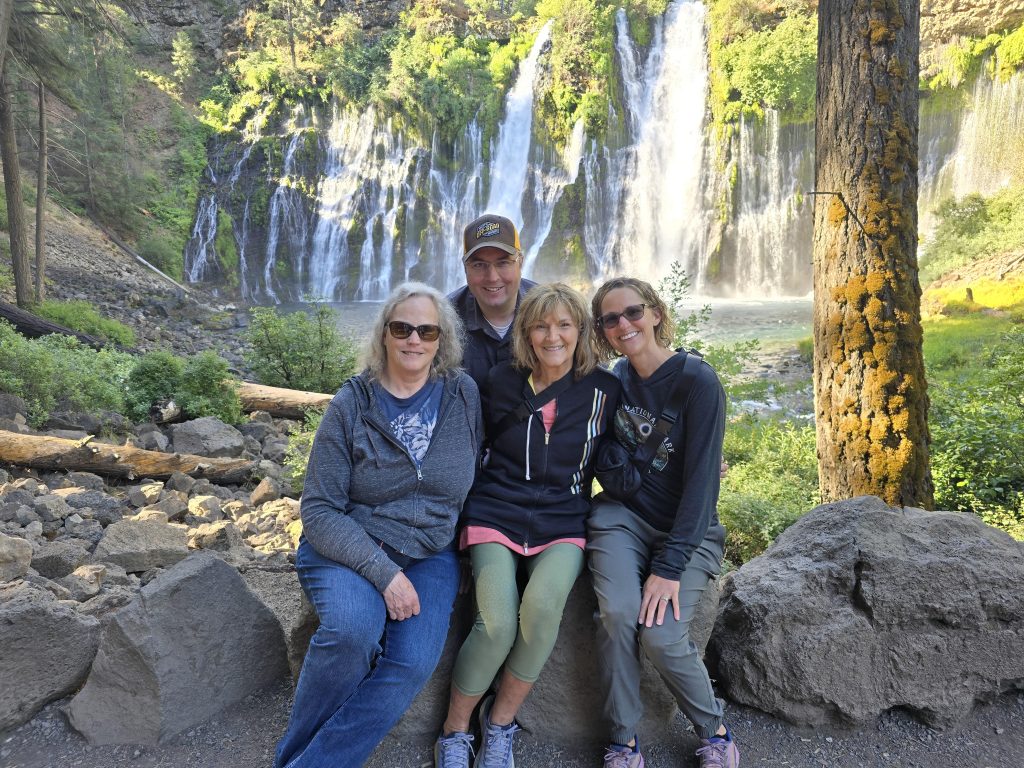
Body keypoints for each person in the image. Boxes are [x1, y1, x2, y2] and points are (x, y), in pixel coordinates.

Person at [273, 282, 482, 768]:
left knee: (411, 664)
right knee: (352, 633)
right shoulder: (352, 403)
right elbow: (320, 509)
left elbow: (476, 473)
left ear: (441, 339)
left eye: (426, 330)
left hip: (430, 552)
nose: (414, 339)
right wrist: (385, 575)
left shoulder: (462, 394)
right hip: (349, 545)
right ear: (384, 334)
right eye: (402, 327)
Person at [434, 283, 620, 768]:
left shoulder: (606, 390)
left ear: (581, 331)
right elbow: (465, 445)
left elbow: (624, 457)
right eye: (540, 325)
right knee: (496, 625)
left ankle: (499, 726)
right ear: (526, 333)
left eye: (563, 324)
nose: (552, 335)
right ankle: (455, 732)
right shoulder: (499, 381)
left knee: (539, 618)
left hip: (564, 519)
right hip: (496, 511)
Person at [588, 277, 740, 768]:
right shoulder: (615, 380)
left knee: (660, 633)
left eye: (632, 312)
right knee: (617, 614)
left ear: (655, 312)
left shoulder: (698, 382)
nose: (623, 325)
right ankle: (623, 740)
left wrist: (670, 566)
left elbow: (702, 487)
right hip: (621, 519)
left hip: (686, 528)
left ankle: (715, 731)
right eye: (610, 319)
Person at [449, 213, 537, 389]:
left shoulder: (550, 311)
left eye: (503, 263)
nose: (492, 277)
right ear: (465, 269)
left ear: (520, 262)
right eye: (479, 265)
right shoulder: (444, 320)